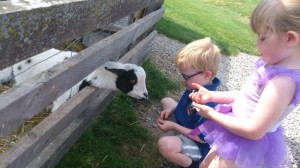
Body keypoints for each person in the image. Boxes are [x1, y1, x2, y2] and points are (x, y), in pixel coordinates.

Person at [189, 0, 300, 167]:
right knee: (207, 164)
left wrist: (211, 114)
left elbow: (254, 130)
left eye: (262, 37)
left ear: (290, 38)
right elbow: (246, 96)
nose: (257, 44)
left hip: (244, 148)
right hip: (235, 132)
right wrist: (212, 96)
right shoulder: (274, 66)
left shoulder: (281, 84)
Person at [156, 37, 221, 168]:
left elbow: (200, 137)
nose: (181, 80)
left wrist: (173, 126)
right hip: (187, 123)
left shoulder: (208, 105)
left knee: (165, 145)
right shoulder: (195, 87)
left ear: (207, 75)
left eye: (185, 76)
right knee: (167, 101)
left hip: (197, 144)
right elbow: (184, 105)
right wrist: (173, 110)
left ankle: (193, 165)